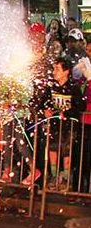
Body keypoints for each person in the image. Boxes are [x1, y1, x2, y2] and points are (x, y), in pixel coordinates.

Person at [33, 56, 86, 190]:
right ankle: (54, 176)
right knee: (52, 150)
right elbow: (41, 104)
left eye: (57, 69)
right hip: (53, 126)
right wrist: (46, 110)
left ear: (66, 71)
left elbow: (80, 106)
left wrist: (67, 113)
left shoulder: (73, 88)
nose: (54, 71)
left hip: (69, 127)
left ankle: (66, 179)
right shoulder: (51, 87)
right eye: (54, 68)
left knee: (66, 152)